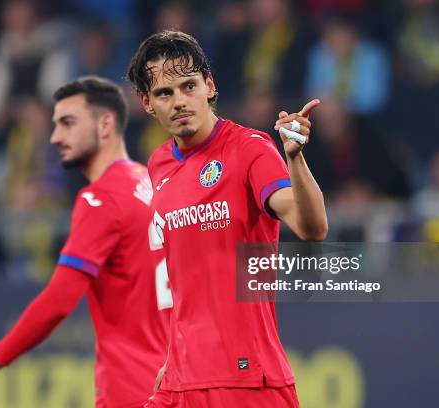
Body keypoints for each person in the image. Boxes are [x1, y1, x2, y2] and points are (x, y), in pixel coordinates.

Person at [126, 31, 327, 407]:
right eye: (164, 93)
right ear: (147, 103)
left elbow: (311, 227)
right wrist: (173, 356)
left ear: (209, 85)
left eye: (189, 86)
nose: (180, 102)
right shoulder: (158, 165)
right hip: (181, 381)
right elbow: (187, 279)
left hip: (247, 383)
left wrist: (295, 158)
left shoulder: (250, 149)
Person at [0, 76, 171, 407]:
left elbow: (59, 300)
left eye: (68, 123)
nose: (55, 137)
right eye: (55, 125)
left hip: (132, 388)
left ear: (105, 124)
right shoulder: (148, 183)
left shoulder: (101, 198)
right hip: (170, 381)